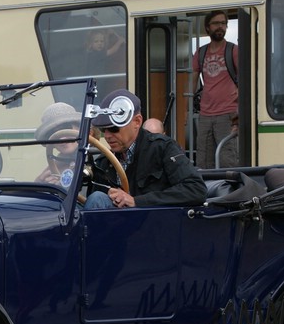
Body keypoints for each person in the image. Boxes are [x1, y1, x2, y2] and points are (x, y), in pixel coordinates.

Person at [85, 90, 206, 209]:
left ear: (137, 122)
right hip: (115, 220)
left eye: (114, 128)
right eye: (103, 130)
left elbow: (196, 189)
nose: (107, 135)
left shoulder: (162, 148)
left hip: (154, 220)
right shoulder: (103, 162)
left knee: (97, 199)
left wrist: (137, 201)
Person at [193, 11, 240, 169]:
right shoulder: (201, 52)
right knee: (203, 161)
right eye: (216, 23)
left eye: (223, 23)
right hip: (205, 114)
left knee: (227, 159)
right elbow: (191, 83)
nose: (220, 27)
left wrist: (239, 113)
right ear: (207, 27)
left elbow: (246, 80)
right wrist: (186, 110)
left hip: (228, 114)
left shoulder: (233, 50)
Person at [33, 102, 81, 188]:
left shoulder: (97, 160)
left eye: (65, 129)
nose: (62, 139)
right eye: (53, 133)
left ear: (79, 128)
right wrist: (44, 186)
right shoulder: (51, 169)